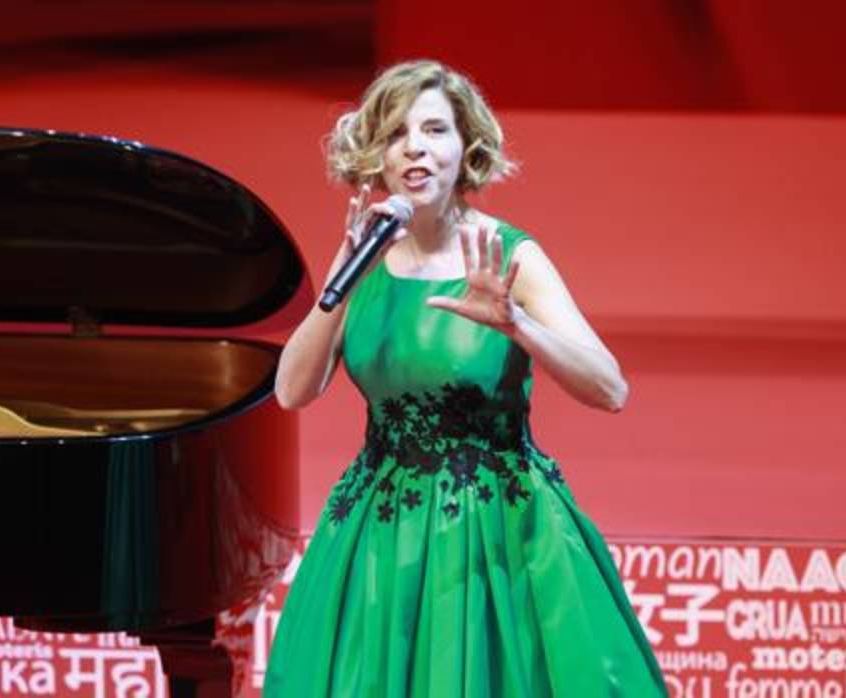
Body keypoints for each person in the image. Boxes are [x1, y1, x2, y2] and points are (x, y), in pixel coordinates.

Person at [264, 59, 667, 697]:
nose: (414, 148)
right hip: (381, 528)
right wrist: (344, 272)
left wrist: (516, 325)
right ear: (376, 156)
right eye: (396, 134)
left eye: (434, 130)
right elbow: (292, 390)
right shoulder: (365, 254)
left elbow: (610, 389)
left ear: (466, 147)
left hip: (495, 526)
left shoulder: (510, 254)